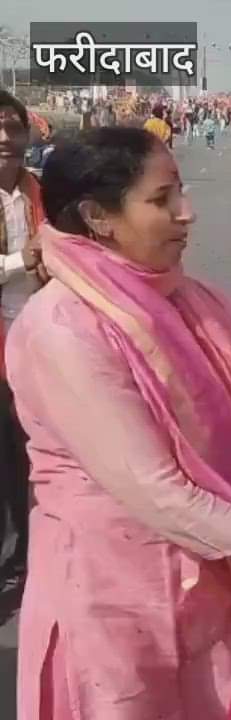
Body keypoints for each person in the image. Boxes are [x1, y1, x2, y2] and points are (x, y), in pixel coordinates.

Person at [10, 127, 231, 719]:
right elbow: (160, 493)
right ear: (98, 217)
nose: (186, 215)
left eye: (181, 194)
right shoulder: (62, 328)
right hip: (115, 596)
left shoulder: (192, 299)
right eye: (162, 200)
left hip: (211, 582)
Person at [0, 91, 46, 589]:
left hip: (36, 344)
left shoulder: (40, 193)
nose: (5, 139)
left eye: (13, 128)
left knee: (31, 452)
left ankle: (26, 555)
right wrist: (23, 261)